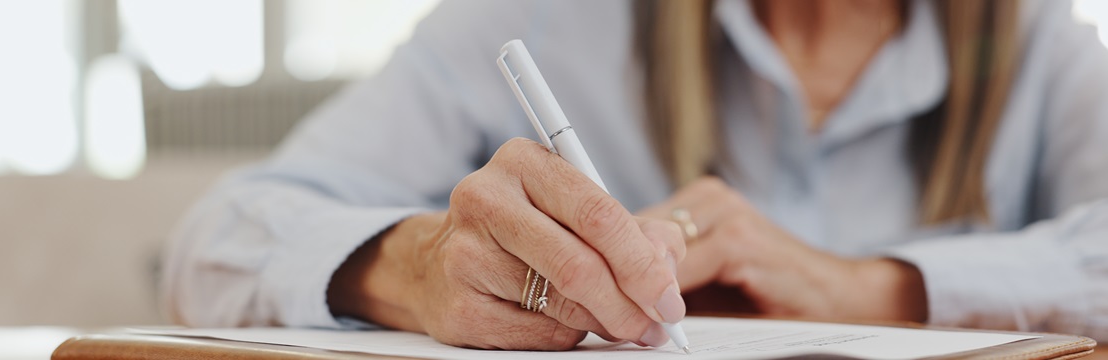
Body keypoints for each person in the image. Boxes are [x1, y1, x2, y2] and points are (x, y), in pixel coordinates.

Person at [162, 0, 1108, 350]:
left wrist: (873, 286)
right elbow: (218, 237)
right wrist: (419, 267)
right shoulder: (542, 21)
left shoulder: (1045, 53)